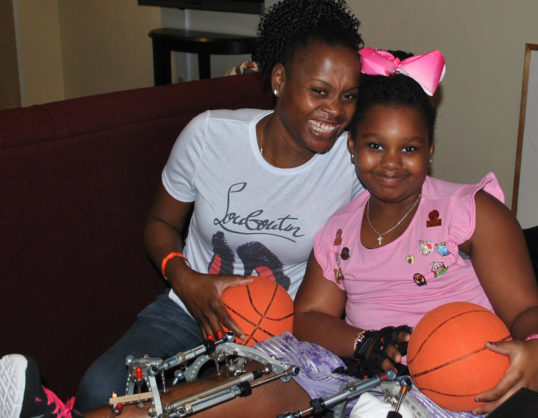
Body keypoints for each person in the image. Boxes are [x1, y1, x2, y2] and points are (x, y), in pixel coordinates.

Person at [71, 47, 538, 418]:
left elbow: (528, 308)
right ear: (351, 148)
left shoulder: (470, 210)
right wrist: (364, 342)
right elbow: (308, 317)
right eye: (374, 146)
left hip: (467, 374)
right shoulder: (340, 230)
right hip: (364, 372)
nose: (391, 163)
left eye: (409, 148)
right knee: (237, 388)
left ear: (431, 150)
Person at [50, 0, 365, 413]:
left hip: (276, 331)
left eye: (349, 96)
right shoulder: (210, 136)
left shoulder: (354, 162)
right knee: (101, 389)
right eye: (319, 91)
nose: (336, 111)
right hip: (189, 309)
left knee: (207, 405)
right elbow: (160, 222)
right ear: (279, 79)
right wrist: (184, 279)